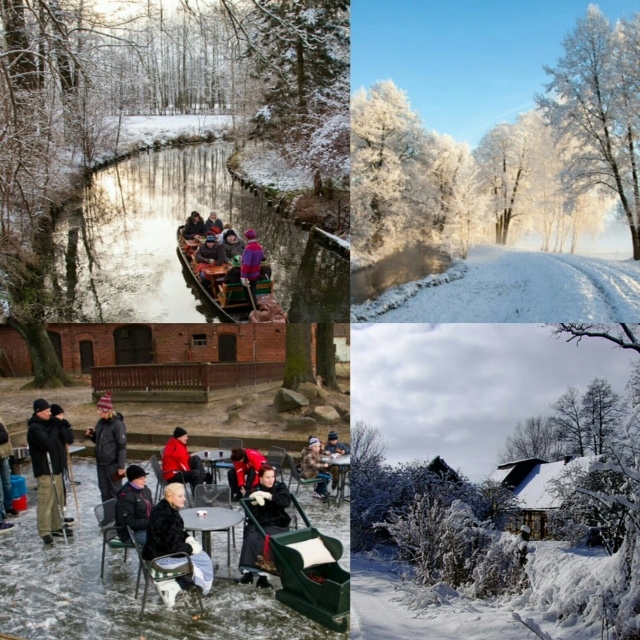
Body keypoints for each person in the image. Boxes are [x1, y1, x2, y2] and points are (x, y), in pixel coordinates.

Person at [143, 483, 214, 606]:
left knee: (200, 556)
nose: (184, 499)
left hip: (155, 552)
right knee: (203, 559)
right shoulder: (168, 515)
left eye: (184, 496)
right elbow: (174, 548)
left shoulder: (164, 507)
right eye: (180, 496)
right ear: (170, 497)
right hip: (159, 560)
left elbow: (175, 533)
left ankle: (189, 583)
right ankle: (199, 588)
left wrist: (187, 538)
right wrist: (191, 548)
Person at [27, 399, 74, 544]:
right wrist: (54, 427)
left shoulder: (48, 424)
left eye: (49, 411)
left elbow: (65, 439)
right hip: (45, 469)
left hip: (56, 468)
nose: (49, 414)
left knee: (57, 500)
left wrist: (64, 426)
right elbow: (49, 444)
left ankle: (56, 525)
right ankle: (44, 530)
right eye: (46, 412)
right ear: (38, 412)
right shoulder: (35, 428)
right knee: (46, 501)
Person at [238, 464, 291, 588]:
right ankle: (248, 572)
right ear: (260, 478)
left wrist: (270, 496)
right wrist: (253, 502)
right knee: (251, 537)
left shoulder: (280, 487)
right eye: (267, 477)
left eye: (272, 477)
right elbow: (248, 510)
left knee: (266, 539)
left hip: (277, 523)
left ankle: (264, 577)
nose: (271, 480)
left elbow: (286, 501)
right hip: (259, 522)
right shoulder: (254, 489)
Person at [85, 392, 127, 503]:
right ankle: (107, 517)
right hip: (101, 464)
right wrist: (92, 436)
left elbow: (121, 446)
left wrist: (121, 466)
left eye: (100, 410)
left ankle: (117, 517)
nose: (98, 412)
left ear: (107, 410)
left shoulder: (118, 425)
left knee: (115, 491)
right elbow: (100, 441)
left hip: (113, 464)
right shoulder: (100, 423)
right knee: (104, 491)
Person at [49, 404, 75, 525]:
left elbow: (69, 440)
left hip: (62, 459)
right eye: (59, 415)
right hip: (54, 462)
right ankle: (57, 516)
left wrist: (68, 427)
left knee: (63, 488)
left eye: (62, 414)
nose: (61, 417)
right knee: (57, 490)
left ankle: (62, 513)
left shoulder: (62, 424)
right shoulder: (52, 426)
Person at [115, 464, 153, 545]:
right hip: (130, 533)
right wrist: (151, 522)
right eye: (140, 478)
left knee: (170, 534)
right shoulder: (125, 496)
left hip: (146, 527)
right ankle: (151, 557)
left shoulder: (145, 490)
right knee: (161, 542)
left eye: (144, 477)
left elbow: (151, 508)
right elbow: (128, 522)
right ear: (132, 480)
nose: (144, 480)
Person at [0, 418, 16, 532]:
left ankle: (8, 506)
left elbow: (6, 437)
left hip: (3, 455)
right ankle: (1, 515)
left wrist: (11, 454)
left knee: (7, 483)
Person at [240, 229, 264, 304]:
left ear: (246, 238)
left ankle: (252, 310)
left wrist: (243, 276)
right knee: (253, 291)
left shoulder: (248, 248)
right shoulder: (259, 247)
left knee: (249, 295)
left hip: (249, 275)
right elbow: (260, 258)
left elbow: (247, 264)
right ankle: (253, 308)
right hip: (256, 273)